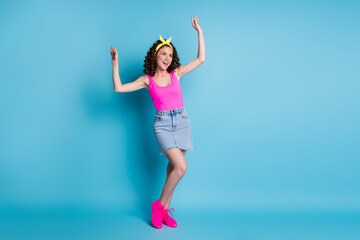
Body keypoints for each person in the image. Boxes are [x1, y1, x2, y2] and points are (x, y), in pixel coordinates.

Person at [110, 16, 205, 229]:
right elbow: (119, 87)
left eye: (170, 55)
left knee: (173, 168)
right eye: (164, 53)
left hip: (182, 120)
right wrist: (115, 64)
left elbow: (201, 59)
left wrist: (199, 31)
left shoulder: (176, 74)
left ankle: (163, 212)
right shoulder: (147, 80)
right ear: (156, 55)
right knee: (181, 167)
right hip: (162, 124)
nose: (168, 58)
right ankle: (159, 206)